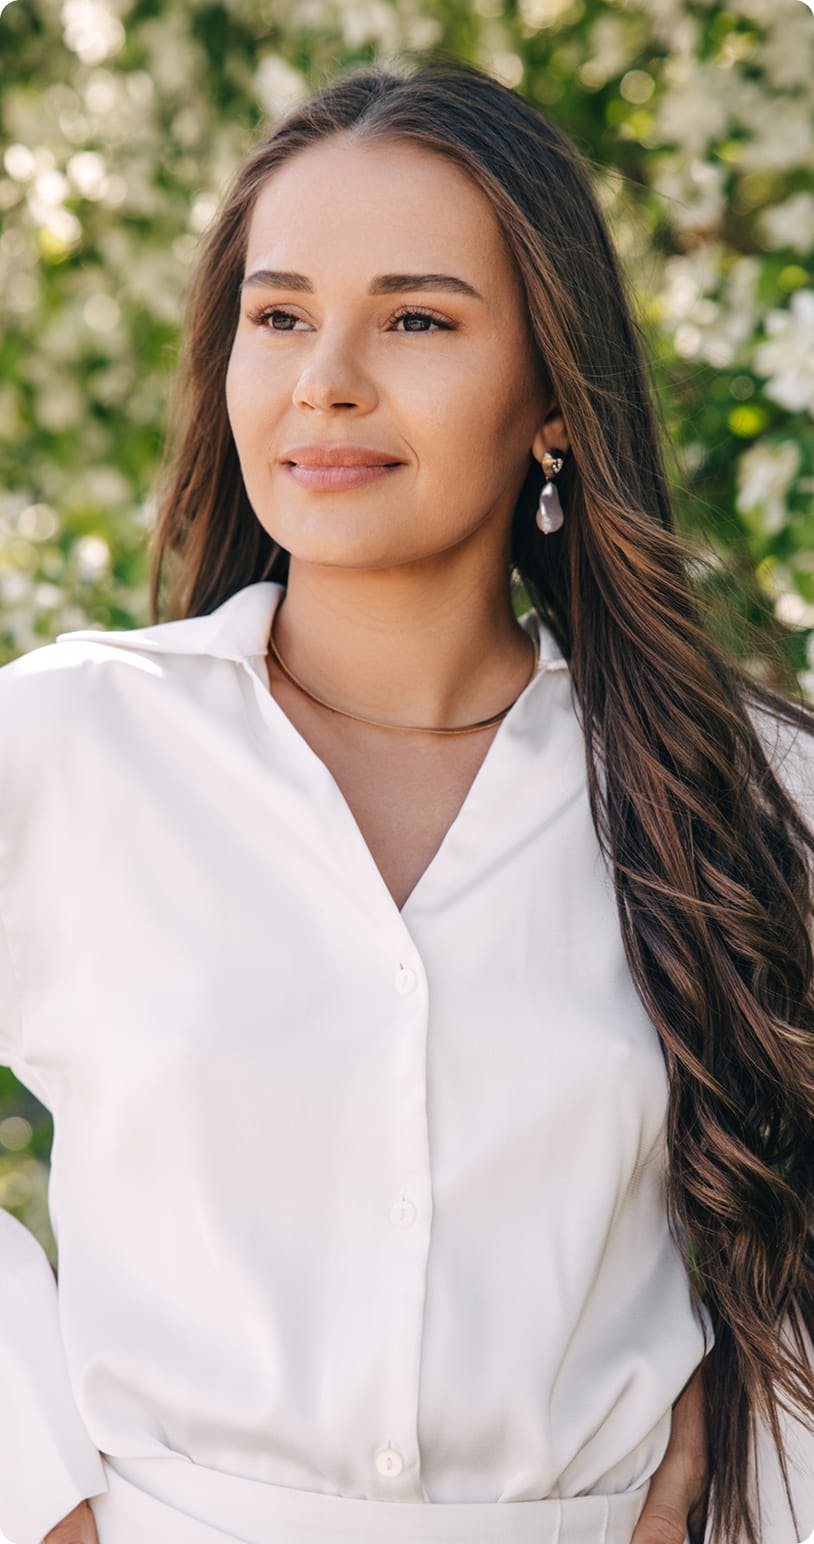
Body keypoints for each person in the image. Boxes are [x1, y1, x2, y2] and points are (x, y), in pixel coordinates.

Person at [0, 56, 812, 1544]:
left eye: (418, 319)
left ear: (554, 400)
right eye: (280, 314)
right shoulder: (67, 741)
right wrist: (38, 1502)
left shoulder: (746, 788)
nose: (326, 379)